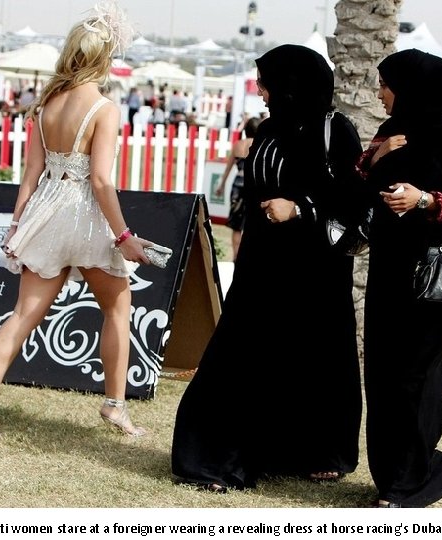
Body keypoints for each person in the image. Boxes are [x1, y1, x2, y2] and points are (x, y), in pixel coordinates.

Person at [171, 44, 364, 492]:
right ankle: (218, 459)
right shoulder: (274, 128)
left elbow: (354, 200)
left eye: (267, 81)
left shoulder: (336, 131)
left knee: (312, 360)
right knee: (242, 356)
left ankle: (317, 453)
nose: (260, 90)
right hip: (264, 266)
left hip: (313, 271)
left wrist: (300, 209)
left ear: (292, 83)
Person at [0, 1, 152, 440]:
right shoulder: (104, 109)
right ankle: (115, 406)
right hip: (86, 216)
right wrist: (123, 236)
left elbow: (30, 175)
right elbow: (101, 181)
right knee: (118, 308)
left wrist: (16, 225)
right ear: (106, 58)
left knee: (23, 314)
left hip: (46, 211)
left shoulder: (46, 104)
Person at [357, 49, 442, 508]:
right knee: (383, 374)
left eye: (386, 83)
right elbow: (358, 192)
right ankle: (389, 476)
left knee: (417, 377)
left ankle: (410, 480)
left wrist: (426, 200)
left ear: (410, 87)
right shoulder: (390, 134)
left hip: (435, 283)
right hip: (389, 275)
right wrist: (373, 160)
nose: (379, 92)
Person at [214, 116, 260, 260]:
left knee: (236, 226)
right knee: (252, 224)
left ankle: (236, 257)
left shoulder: (238, 144)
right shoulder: (259, 144)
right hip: (253, 187)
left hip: (237, 187)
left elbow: (228, 169)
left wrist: (221, 186)